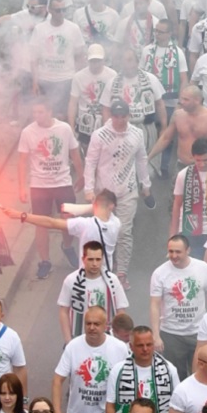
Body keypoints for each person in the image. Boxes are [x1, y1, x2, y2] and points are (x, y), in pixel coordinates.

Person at [82, 100, 152, 284]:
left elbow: (141, 159)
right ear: (111, 116)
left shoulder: (137, 134)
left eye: (123, 116)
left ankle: (121, 273)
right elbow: (90, 162)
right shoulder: (99, 135)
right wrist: (88, 189)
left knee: (124, 232)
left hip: (127, 190)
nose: (119, 120)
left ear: (128, 116)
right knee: (102, 231)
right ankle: (104, 269)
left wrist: (146, 184)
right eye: (116, 116)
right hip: (104, 192)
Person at [17, 98, 84, 279]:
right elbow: (22, 161)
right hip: (39, 185)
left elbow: (74, 152)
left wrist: (81, 174)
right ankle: (45, 261)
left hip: (62, 181)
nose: (37, 116)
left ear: (49, 111)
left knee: (68, 220)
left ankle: (67, 246)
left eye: (40, 112)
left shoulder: (64, 129)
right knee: (41, 223)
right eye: (34, 113)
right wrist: (22, 186)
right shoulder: (27, 132)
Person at [149, 235, 207, 379]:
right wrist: (156, 335)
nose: (174, 256)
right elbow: (155, 304)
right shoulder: (159, 273)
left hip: (199, 333)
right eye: (171, 251)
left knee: (201, 375)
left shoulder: (202, 268)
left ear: (188, 250)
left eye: (178, 252)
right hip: (171, 335)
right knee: (173, 377)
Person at [105, 327, 180, 413]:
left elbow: (176, 407)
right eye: (140, 345)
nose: (145, 349)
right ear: (131, 346)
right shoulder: (118, 371)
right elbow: (110, 406)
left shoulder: (169, 370)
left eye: (149, 344)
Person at [58, 242, 128, 340]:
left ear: (102, 259)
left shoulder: (112, 280)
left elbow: (121, 311)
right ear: (83, 259)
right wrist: (68, 341)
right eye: (91, 259)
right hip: (80, 338)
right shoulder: (71, 280)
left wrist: (119, 339)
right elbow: (63, 311)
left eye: (98, 259)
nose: (94, 264)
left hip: (107, 338)